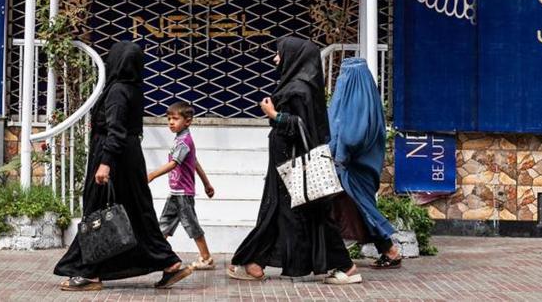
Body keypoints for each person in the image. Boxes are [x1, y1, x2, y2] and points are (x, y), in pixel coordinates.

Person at [54, 41, 193, 291]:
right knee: (139, 212)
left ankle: (89, 273)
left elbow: (115, 131)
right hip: (130, 158)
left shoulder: (117, 90)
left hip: (114, 158)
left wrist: (105, 163)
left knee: (96, 209)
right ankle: (170, 264)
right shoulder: (133, 89)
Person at [227, 36, 362, 285]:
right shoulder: (297, 85)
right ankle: (255, 262)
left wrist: (274, 115)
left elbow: (303, 127)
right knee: (282, 213)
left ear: (293, 57)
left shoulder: (300, 89)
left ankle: (346, 267)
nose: (275, 58)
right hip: (287, 164)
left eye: (279, 53)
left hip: (298, 165)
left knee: (314, 214)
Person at [328, 57, 401, 269]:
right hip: (362, 166)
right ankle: (389, 250)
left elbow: (352, 136)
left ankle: (338, 258)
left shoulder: (355, 103)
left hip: (351, 167)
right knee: (360, 209)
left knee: (359, 209)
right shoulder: (369, 98)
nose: (341, 80)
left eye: (344, 76)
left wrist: (339, 154)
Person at [148, 102, 216, 271]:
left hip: (183, 193)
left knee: (191, 225)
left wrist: (152, 175)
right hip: (176, 192)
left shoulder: (184, 141)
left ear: (188, 121)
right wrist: (207, 184)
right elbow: (196, 163)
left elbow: (173, 164)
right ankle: (156, 255)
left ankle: (206, 258)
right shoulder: (180, 139)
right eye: (169, 118)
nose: (171, 122)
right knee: (164, 224)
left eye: (175, 119)